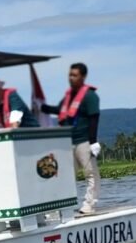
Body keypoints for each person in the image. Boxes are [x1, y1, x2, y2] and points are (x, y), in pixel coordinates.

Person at [41, 63, 101, 214]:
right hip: (68, 142)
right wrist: (42, 107)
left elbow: (94, 118)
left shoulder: (90, 96)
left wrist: (93, 141)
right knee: (67, 175)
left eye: (74, 75)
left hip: (84, 141)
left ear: (83, 77)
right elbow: (59, 110)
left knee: (91, 174)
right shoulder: (68, 96)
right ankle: (65, 207)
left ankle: (89, 205)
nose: (71, 78)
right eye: (70, 75)